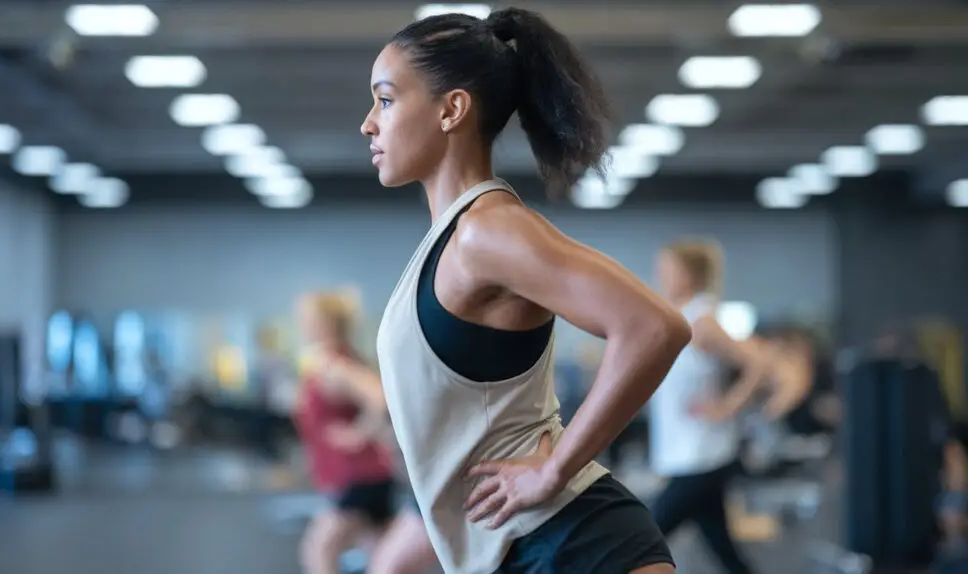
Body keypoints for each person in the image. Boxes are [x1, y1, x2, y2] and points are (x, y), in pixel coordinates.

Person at [361, 7, 692, 574]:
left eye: (386, 100)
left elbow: (654, 327)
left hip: (575, 543)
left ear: (452, 109)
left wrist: (554, 467)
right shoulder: (453, 239)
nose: (369, 123)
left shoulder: (488, 232)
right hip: (518, 548)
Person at [648, 239, 765, 574]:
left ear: (688, 275)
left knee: (639, 541)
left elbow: (756, 364)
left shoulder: (702, 321)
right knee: (725, 552)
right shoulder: (681, 316)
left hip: (701, 458)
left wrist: (727, 406)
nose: (660, 276)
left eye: (667, 270)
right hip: (693, 456)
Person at [293, 292, 418, 574]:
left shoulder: (332, 364)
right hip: (367, 473)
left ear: (324, 324)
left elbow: (381, 398)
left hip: (358, 476)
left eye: (306, 320)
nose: (301, 325)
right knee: (382, 559)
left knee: (319, 549)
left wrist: (359, 434)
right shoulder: (334, 359)